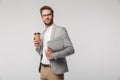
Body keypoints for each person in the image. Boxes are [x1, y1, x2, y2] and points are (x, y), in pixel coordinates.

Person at [34, 5, 75, 80]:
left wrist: (54, 55)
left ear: (53, 15)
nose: (47, 17)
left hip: (54, 71)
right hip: (42, 69)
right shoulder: (42, 34)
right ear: (42, 17)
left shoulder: (60, 30)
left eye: (48, 14)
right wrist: (38, 47)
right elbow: (42, 54)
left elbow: (71, 49)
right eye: (44, 15)